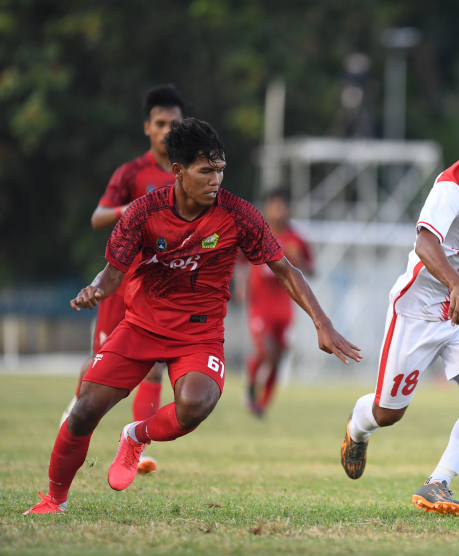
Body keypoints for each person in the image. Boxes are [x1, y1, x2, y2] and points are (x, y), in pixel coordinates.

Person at [25, 118, 361, 515]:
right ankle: (54, 500)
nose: (216, 179)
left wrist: (323, 323)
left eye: (220, 170)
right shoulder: (142, 213)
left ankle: (136, 436)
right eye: (206, 171)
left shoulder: (239, 215)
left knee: (196, 404)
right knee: (83, 412)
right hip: (141, 325)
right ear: (179, 172)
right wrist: (96, 289)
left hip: (198, 334)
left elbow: (287, 269)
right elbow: (112, 273)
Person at [340, 111, 459, 516]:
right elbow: (426, 244)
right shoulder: (451, 189)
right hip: (420, 311)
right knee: (389, 413)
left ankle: (437, 483)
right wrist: (456, 285)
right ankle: (358, 426)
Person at [60, 84, 186, 475]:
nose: (167, 131)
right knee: (99, 362)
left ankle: (138, 447)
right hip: (120, 281)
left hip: (156, 288)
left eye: (174, 124)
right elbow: (98, 216)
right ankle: (75, 412)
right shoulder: (132, 173)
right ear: (147, 127)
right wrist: (128, 209)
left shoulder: (189, 175)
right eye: (160, 123)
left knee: (153, 365)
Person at [235, 191, 314, 417]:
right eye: (274, 206)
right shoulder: (257, 234)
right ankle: (250, 386)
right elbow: (239, 261)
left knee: (278, 357)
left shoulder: (296, 239)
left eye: (282, 206)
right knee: (265, 351)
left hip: (285, 308)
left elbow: (311, 268)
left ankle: (262, 405)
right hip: (260, 306)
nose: (278, 211)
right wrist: (241, 287)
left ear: (288, 210)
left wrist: (298, 261)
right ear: (268, 208)